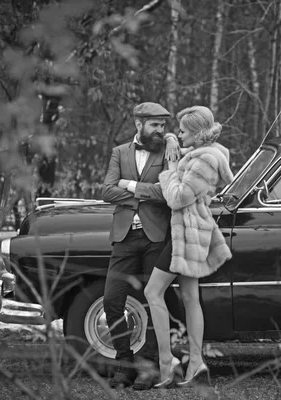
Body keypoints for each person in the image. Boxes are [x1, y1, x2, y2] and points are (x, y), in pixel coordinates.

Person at [144, 105, 234, 388]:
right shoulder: (204, 153)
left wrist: (170, 170)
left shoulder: (205, 160)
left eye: (183, 131)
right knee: (190, 297)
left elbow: (178, 197)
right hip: (188, 231)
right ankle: (195, 362)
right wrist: (171, 139)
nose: (179, 135)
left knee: (152, 291)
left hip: (188, 232)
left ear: (196, 133)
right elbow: (182, 152)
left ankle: (166, 361)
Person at [101, 101, 180, 390]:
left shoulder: (168, 151)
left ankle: (148, 367)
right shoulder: (119, 152)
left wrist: (130, 186)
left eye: (163, 126)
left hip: (155, 237)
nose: (161, 130)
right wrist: (141, 195)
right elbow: (107, 190)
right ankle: (124, 363)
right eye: (155, 125)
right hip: (124, 236)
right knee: (112, 300)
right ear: (139, 124)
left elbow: (166, 192)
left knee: (155, 301)